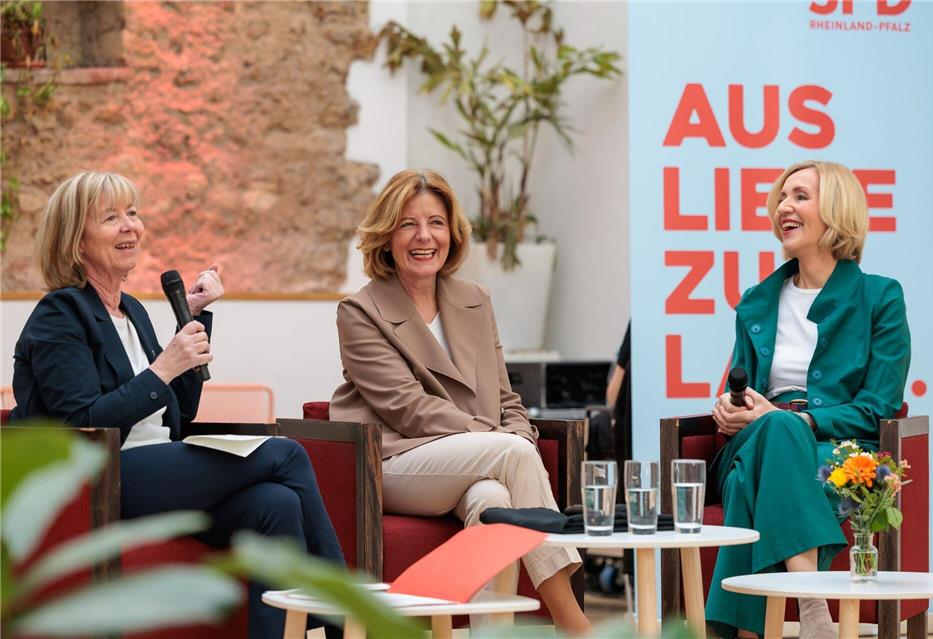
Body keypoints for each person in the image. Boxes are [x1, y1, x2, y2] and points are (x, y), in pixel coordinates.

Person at [10, 171, 345, 639]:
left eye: (133, 213)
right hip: (99, 481)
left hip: (152, 472)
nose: (131, 226)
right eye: (111, 217)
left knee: (276, 502)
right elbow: (81, 423)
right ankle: (344, 613)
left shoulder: (134, 312)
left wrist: (196, 317)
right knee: (285, 454)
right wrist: (163, 367)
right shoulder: (60, 314)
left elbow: (178, 415)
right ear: (75, 240)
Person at [330, 169, 589, 635]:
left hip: (475, 462)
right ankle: (575, 623)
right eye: (408, 224)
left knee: (493, 500)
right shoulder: (360, 311)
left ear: (453, 231)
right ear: (386, 236)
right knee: (511, 455)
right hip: (393, 463)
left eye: (436, 222)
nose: (424, 236)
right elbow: (408, 408)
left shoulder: (475, 299)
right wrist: (504, 441)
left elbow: (507, 395)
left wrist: (517, 431)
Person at [704, 160, 911, 639]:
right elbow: (743, 387)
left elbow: (878, 406)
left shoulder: (880, 297)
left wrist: (794, 419)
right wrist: (732, 409)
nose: (784, 207)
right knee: (774, 430)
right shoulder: (759, 298)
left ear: (835, 212)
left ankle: (737, 630)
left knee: (746, 484)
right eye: (781, 197)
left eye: (799, 196)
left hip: (839, 451)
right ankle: (812, 606)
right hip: (756, 438)